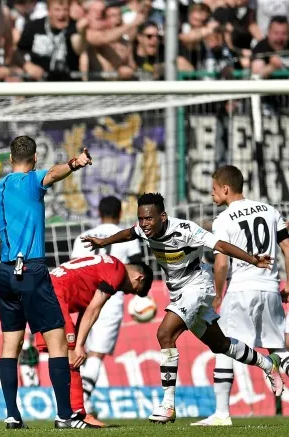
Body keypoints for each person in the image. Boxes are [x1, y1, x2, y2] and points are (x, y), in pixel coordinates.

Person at [81, 192, 284, 424]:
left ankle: (168, 405)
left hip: (197, 284)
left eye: (149, 218)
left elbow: (220, 245)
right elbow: (128, 233)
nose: (144, 224)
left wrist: (252, 259)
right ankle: (268, 364)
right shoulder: (143, 228)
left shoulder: (186, 230)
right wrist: (104, 242)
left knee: (165, 333)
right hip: (178, 291)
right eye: (141, 218)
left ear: (163, 216)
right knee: (221, 345)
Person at [0, 135, 96, 429]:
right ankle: (64, 415)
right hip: (32, 269)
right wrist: (77, 162)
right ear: (33, 160)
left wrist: (5, 257)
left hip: (6, 272)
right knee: (58, 342)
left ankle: (11, 414)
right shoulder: (32, 181)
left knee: (10, 345)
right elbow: (56, 173)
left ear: (9, 159)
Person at [191, 165, 289, 426]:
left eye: (213, 190)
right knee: (279, 347)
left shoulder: (223, 220)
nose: (211, 195)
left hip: (241, 289)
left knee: (223, 347)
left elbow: (221, 264)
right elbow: (287, 248)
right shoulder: (270, 211)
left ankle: (222, 414)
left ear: (225, 188)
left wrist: (218, 295)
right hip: (270, 287)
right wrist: (288, 282)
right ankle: (273, 367)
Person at [34, 255, 154, 427]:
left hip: (41, 290)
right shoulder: (116, 271)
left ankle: (65, 415)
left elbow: (86, 310)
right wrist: (79, 345)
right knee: (72, 359)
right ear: (138, 277)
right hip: (55, 295)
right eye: (134, 289)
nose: (127, 292)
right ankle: (76, 415)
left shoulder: (102, 267)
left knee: (60, 356)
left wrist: (77, 341)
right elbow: (93, 309)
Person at [69, 196, 143, 417]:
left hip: (84, 300)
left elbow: (73, 267)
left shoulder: (83, 236)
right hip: (110, 299)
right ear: (120, 213)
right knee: (96, 354)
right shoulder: (128, 236)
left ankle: (82, 403)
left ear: (98, 213)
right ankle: (81, 402)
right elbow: (137, 269)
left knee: (80, 351)